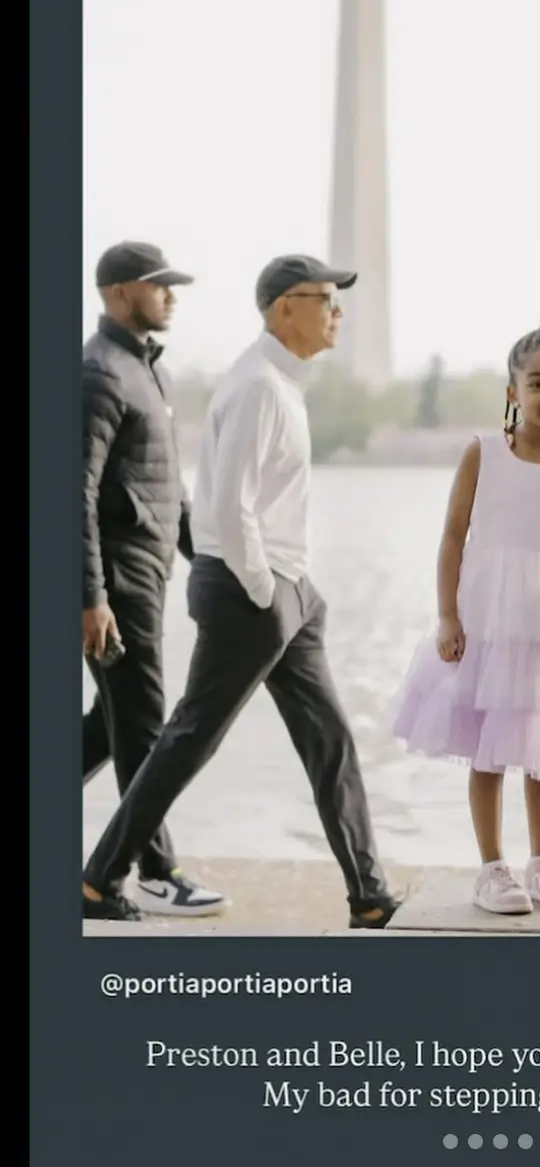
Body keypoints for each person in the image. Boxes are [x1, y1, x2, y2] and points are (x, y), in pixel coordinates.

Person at [82, 254, 400, 929]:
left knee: (330, 740)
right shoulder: (257, 385)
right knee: (189, 738)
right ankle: (100, 878)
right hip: (254, 592)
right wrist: (261, 588)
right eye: (324, 298)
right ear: (284, 307)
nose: (336, 311)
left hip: (287, 589)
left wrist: (290, 588)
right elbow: (230, 506)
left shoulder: (280, 382)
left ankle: (368, 894)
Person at [391, 324, 540, 915]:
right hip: (487, 625)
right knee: (488, 749)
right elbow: (451, 538)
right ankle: (492, 867)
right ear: (513, 391)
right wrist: (447, 617)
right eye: (536, 382)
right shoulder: (484, 453)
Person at [82, 242, 227, 920]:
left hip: (146, 572)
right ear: (117, 293)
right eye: (157, 284)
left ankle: (143, 862)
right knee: (143, 723)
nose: (171, 295)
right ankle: (154, 868)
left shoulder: (145, 369)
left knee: (108, 724)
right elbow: (72, 493)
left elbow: (169, 491)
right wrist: (91, 598)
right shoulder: (98, 372)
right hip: (115, 581)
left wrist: (213, 560)